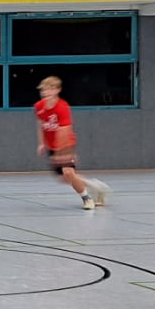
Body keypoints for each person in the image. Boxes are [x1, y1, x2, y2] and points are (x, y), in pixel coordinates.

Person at [35, 76, 111, 210]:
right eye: (43, 90)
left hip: (65, 144)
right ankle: (96, 186)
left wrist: (63, 153)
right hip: (52, 146)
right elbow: (40, 124)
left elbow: (64, 130)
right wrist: (42, 143)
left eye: (49, 90)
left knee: (68, 173)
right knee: (66, 179)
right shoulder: (39, 106)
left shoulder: (62, 107)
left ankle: (87, 199)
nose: (45, 93)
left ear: (57, 90)